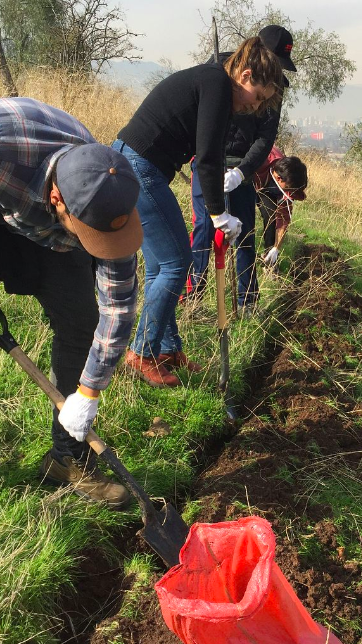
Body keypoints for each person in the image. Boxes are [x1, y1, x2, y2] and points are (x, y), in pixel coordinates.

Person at [0, 97, 144, 508]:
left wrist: (89, 392)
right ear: (58, 200)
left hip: (43, 227)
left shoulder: (108, 193)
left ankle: (67, 460)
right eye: (91, 234)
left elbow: (118, 307)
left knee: (82, 324)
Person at [114, 36, 283, 384]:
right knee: (178, 264)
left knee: (163, 265)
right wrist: (220, 214)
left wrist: (231, 184)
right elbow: (206, 160)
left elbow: (211, 156)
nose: (256, 107)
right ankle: (142, 353)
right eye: (259, 97)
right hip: (138, 165)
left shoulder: (216, 82)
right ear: (246, 75)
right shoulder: (217, 85)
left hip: (137, 163)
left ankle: (167, 348)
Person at [187, 25, 297, 315]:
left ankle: (247, 302)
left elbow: (265, 137)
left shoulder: (275, 90)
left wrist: (243, 172)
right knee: (204, 227)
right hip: (208, 160)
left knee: (244, 231)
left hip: (242, 167)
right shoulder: (221, 67)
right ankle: (193, 298)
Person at [254, 146, 308, 268]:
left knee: (271, 216)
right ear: (279, 178)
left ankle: (269, 260)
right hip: (248, 179)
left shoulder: (288, 180)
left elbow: (283, 220)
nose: (289, 193)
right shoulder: (261, 158)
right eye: (288, 189)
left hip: (267, 188)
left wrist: (276, 249)